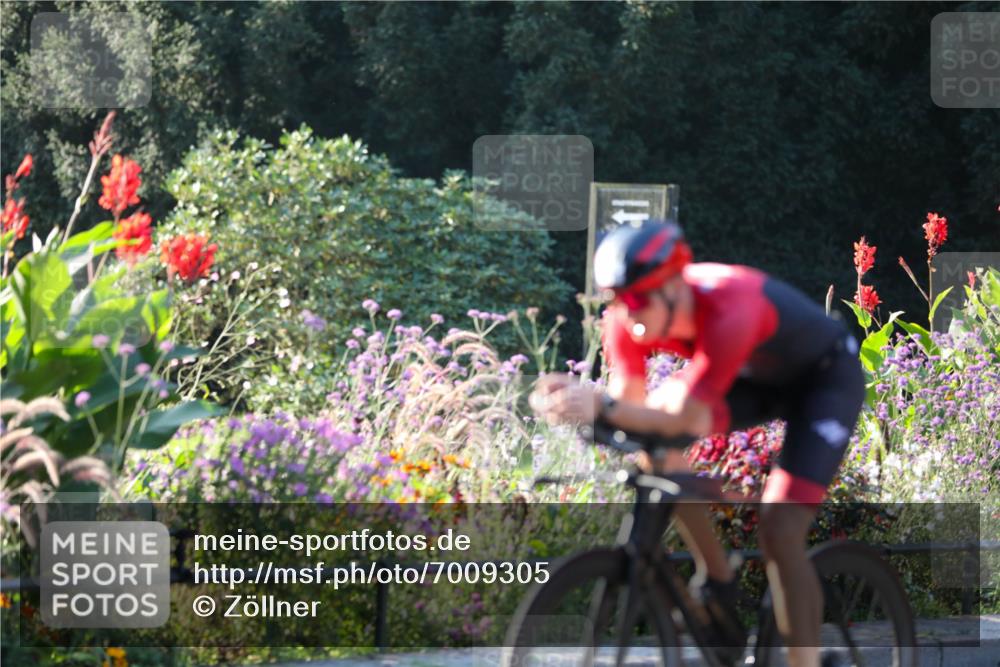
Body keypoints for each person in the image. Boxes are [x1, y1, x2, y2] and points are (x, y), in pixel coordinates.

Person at [530, 220, 865, 667]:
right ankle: (718, 576)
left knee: (780, 531)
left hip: (823, 381)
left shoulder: (730, 304)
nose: (627, 313)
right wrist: (581, 406)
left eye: (638, 300)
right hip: (749, 378)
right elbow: (634, 410)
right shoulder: (623, 321)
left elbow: (680, 416)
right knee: (654, 444)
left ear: (674, 287)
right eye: (617, 300)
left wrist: (601, 405)